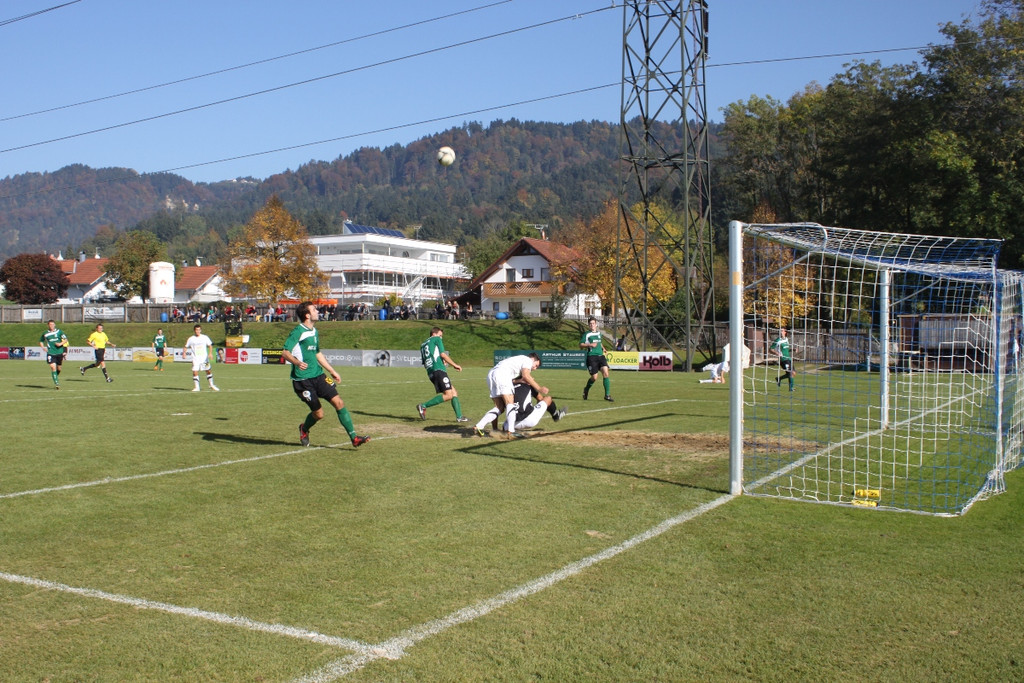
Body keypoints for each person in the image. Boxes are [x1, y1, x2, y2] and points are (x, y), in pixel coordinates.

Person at [282, 300, 369, 448]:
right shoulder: (298, 331)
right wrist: (296, 362)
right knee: (319, 414)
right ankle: (304, 428)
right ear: (307, 315)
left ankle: (354, 437)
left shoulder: (314, 331)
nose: (318, 311)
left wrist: (332, 370)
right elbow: (284, 352)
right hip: (303, 381)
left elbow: (317, 353)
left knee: (339, 402)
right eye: (314, 309)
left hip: (319, 376)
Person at [473, 352, 546, 438]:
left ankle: (478, 426)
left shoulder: (516, 361)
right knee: (510, 404)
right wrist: (539, 388)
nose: (535, 368)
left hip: (491, 374)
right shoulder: (527, 360)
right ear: (533, 359)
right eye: (536, 365)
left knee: (499, 407)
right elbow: (526, 375)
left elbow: (511, 380)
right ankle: (511, 431)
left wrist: (520, 381)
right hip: (502, 375)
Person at [416, 327, 467, 422]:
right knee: (449, 395)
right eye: (440, 335)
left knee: (454, 392)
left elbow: (426, 360)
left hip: (431, 371)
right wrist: (455, 365)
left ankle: (459, 417)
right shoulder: (436, 339)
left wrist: (440, 362)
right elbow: (443, 354)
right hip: (438, 370)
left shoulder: (423, 345)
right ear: (434, 334)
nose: (441, 338)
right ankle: (423, 406)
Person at [500, 379, 568, 432]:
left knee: (508, 420)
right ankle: (555, 415)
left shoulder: (507, 387)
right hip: (529, 420)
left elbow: (500, 408)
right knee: (548, 399)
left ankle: (507, 429)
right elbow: (540, 399)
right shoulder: (528, 385)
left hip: (510, 424)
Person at [580, 316, 613, 401]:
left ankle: (607, 395)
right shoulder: (587, 334)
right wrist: (590, 345)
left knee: (606, 372)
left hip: (601, 356)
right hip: (591, 357)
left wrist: (603, 348)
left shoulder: (599, 334)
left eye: (593, 323)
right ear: (588, 325)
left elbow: (599, 342)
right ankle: (586, 389)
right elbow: (581, 345)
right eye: (590, 324)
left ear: (596, 324)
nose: (592, 325)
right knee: (594, 378)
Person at [184, 324, 219, 392]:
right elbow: (185, 346)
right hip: (195, 359)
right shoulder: (191, 339)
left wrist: (210, 353)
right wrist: (184, 353)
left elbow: (210, 345)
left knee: (208, 371)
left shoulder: (205, 337)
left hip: (204, 358)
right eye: (196, 330)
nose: (198, 331)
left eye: (199, 330)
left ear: (201, 330)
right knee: (195, 372)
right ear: (194, 330)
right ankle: (197, 387)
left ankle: (211, 385)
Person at [39, 319, 69, 389]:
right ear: (48, 325)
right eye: (50, 324)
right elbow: (41, 341)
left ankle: (55, 376)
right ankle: (57, 383)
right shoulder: (45, 333)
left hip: (59, 352)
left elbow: (66, 339)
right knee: (53, 367)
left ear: (54, 325)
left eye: (53, 324)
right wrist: (43, 347)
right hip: (50, 352)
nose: (51, 326)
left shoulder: (59, 332)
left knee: (59, 369)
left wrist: (60, 344)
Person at [770, 327, 796, 391]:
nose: (780, 332)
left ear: (785, 332)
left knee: (793, 373)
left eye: (782, 331)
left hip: (789, 358)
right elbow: (770, 349)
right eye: (780, 331)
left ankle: (779, 379)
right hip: (783, 359)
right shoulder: (778, 340)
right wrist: (776, 353)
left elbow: (786, 349)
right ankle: (791, 388)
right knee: (791, 373)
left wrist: (793, 349)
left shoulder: (786, 339)